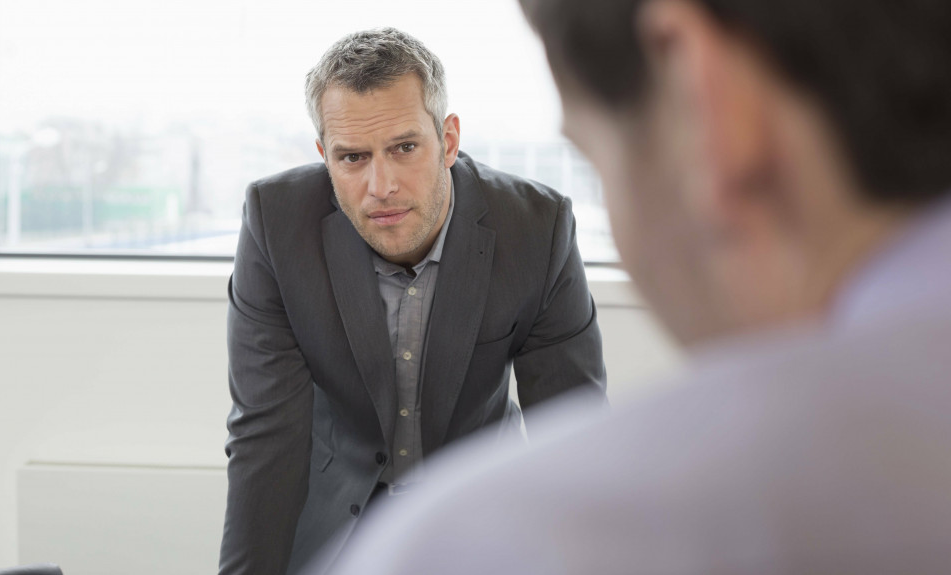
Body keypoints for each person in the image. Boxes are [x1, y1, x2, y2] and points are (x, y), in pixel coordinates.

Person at [322, 0, 951, 573]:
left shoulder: (481, 543)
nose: (381, 185)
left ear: (703, 95)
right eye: (352, 158)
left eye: (596, 153)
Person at [219, 27, 607, 575]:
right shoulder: (275, 223)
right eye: (352, 157)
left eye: (405, 148)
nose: (382, 185)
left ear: (447, 140)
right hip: (337, 523)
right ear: (324, 155)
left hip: (481, 517)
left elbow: (572, 437)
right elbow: (264, 436)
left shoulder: (536, 228)